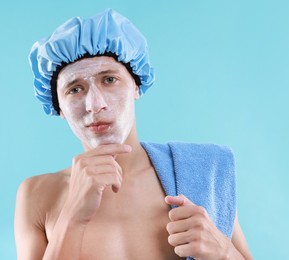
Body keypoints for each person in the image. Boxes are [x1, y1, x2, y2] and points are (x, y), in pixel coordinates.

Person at [14, 9, 252, 260]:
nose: (95, 104)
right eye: (75, 89)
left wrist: (224, 253)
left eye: (109, 79)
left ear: (136, 86)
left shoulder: (206, 172)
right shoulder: (37, 195)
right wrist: (72, 216)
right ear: (58, 107)